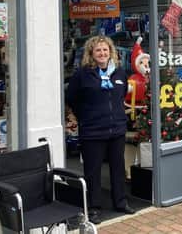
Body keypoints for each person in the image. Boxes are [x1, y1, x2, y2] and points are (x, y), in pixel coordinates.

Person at [66, 35, 136, 225]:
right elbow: (71, 97)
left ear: (110, 52)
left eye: (105, 50)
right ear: (91, 53)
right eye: (98, 50)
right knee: (93, 171)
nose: (102, 53)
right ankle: (94, 207)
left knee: (118, 168)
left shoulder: (120, 73)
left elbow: (121, 96)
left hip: (117, 130)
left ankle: (120, 202)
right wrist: (86, 116)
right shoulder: (82, 75)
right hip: (92, 131)